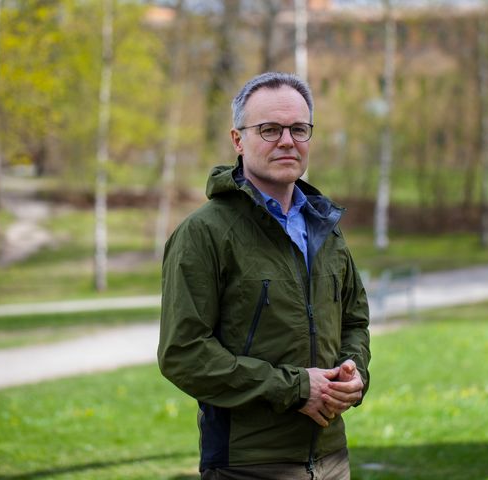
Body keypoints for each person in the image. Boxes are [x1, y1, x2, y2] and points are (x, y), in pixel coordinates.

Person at [157, 72, 371, 480]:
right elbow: (182, 353)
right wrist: (294, 389)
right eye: (270, 129)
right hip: (248, 465)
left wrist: (354, 371)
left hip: (331, 460)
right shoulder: (203, 233)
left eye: (299, 129)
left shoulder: (324, 228)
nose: (287, 141)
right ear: (238, 140)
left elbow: (355, 320)